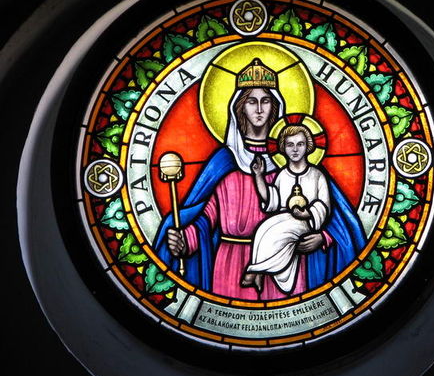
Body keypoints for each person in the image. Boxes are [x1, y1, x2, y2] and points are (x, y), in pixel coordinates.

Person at [153, 57, 366, 300]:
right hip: (231, 265)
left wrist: (323, 237)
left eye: (266, 101)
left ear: (275, 106)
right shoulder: (225, 161)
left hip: (286, 260)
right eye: (251, 101)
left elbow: (334, 216)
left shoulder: (293, 162)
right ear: (239, 107)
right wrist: (186, 240)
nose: (259, 109)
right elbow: (207, 217)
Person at [242, 124, 331, 294]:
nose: (295, 149)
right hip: (284, 219)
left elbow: (324, 205)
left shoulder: (317, 175)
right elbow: (272, 199)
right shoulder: (282, 175)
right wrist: (259, 176)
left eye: (300, 144)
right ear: (283, 148)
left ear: (308, 146)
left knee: (277, 231)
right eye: (290, 145)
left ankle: (254, 270)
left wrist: (308, 213)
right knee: (262, 229)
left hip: (306, 223)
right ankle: (260, 271)